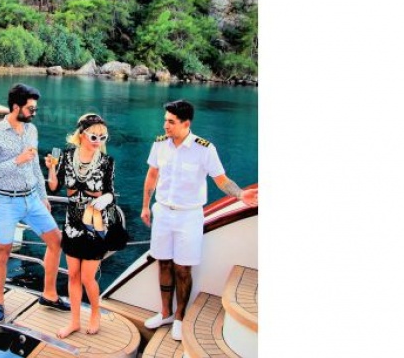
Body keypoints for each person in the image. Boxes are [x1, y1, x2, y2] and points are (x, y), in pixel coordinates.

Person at [140, 100, 253, 341]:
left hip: (189, 216)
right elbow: (152, 175)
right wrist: (145, 206)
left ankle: (179, 318)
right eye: (165, 120)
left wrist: (240, 194)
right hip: (163, 212)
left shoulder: (204, 149)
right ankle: (165, 313)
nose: (165, 125)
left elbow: (221, 180)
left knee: (183, 269)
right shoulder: (159, 144)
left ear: (186, 123)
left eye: (171, 122)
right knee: (163, 264)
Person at [0, 83, 68, 322]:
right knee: (3, 251)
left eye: (35, 109)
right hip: (7, 201)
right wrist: (16, 160)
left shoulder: (32, 130)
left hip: (32, 199)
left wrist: (43, 196)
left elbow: (35, 165)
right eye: (31, 109)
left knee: (56, 241)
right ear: (16, 107)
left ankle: (49, 294)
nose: (34, 113)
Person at [45, 113, 120, 338]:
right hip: (72, 224)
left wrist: (104, 199)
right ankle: (75, 321)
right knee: (73, 275)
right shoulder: (67, 157)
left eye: (102, 137)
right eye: (94, 136)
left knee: (87, 277)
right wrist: (51, 168)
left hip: (95, 223)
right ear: (81, 134)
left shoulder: (107, 161)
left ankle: (95, 313)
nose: (98, 141)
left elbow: (110, 192)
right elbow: (54, 187)